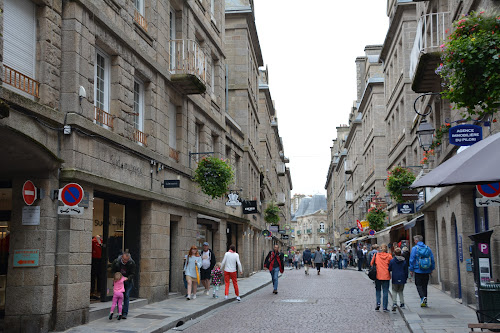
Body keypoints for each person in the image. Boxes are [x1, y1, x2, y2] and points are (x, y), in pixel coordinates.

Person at [409, 235, 435, 307]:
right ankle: (425, 300)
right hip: (426, 270)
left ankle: (422, 297)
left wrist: (411, 269)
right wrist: (431, 269)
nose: (414, 242)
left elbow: (412, 260)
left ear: (417, 241)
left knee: (418, 284)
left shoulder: (415, 248)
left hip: (418, 270)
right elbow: (432, 259)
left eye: (414, 240)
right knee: (425, 285)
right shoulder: (428, 248)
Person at [111, 251, 136, 319]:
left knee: (126, 296)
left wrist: (128, 278)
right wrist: (116, 277)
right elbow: (112, 270)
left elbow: (133, 273)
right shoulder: (116, 262)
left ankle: (125, 313)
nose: (125, 261)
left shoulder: (131, 263)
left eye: (127, 260)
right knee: (117, 296)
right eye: (124, 260)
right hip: (118, 282)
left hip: (127, 281)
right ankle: (120, 312)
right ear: (122, 257)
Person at [371, 244, 392, 312]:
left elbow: (371, 263)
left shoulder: (376, 255)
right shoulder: (389, 256)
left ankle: (378, 303)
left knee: (378, 290)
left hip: (378, 275)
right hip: (386, 275)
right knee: (385, 291)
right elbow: (391, 265)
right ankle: (385, 307)